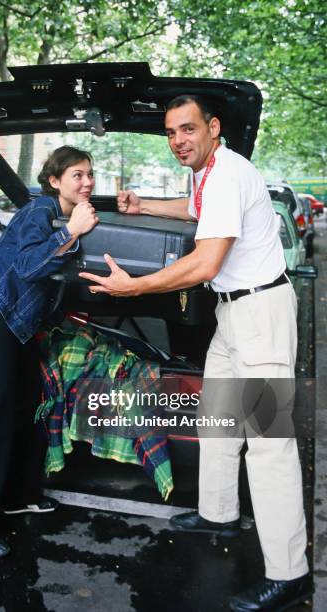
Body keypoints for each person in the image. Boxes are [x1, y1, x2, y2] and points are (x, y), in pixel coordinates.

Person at [79, 96, 312, 611]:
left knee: (269, 444)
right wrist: (146, 208)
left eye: (187, 129)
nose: (178, 140)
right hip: (233, 315)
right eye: (170, 133)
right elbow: (193, 211)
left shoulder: (227, 173)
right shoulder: (206, 176)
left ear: (213, 127)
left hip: (260, 315)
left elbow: (205, 263)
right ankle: (218, 512)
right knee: (218, 419)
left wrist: (131, 289)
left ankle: (291, 572)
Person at [0, 145, 98, 558]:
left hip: (17, 327)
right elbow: (27, 268)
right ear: (55, 181)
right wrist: (71, 231)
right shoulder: (40, 212)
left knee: (28, 411)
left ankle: (18, 494)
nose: (87, 182)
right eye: (77, 175)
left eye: (89, 174)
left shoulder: (59, 213)